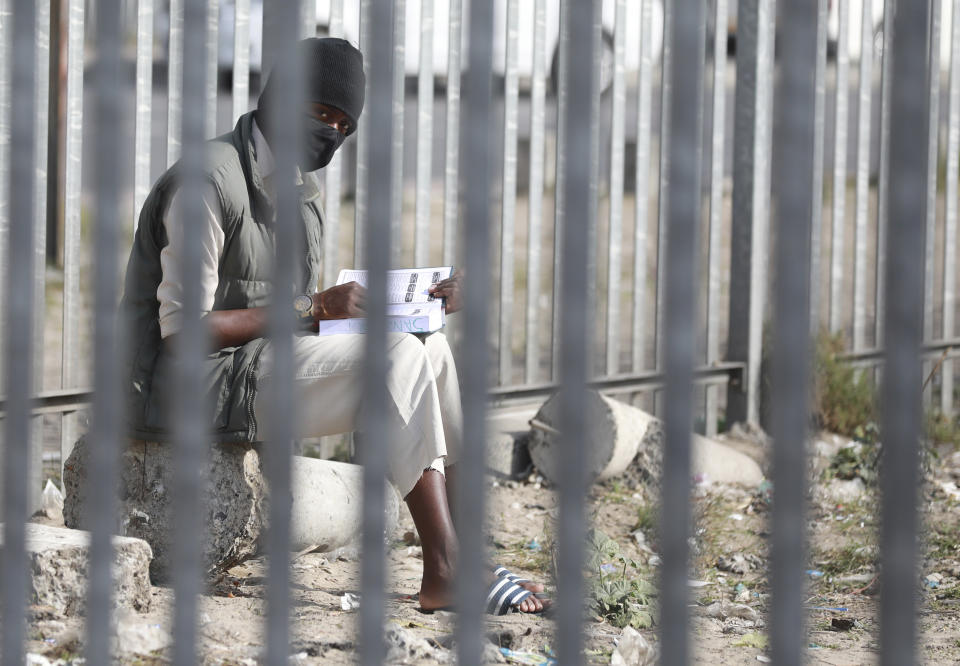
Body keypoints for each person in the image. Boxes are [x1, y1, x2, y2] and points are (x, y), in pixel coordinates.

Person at [120, 37, 545, 614]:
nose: (332, 134)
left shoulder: (300, 187)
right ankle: (443, 569)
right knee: (393, 358)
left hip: (252, 371)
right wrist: (313, 308)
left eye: (345, 126)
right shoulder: (208, 184)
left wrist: (418, 307)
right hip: (186, 388)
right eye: (321, 115)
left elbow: (298, 319)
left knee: (430, 350)